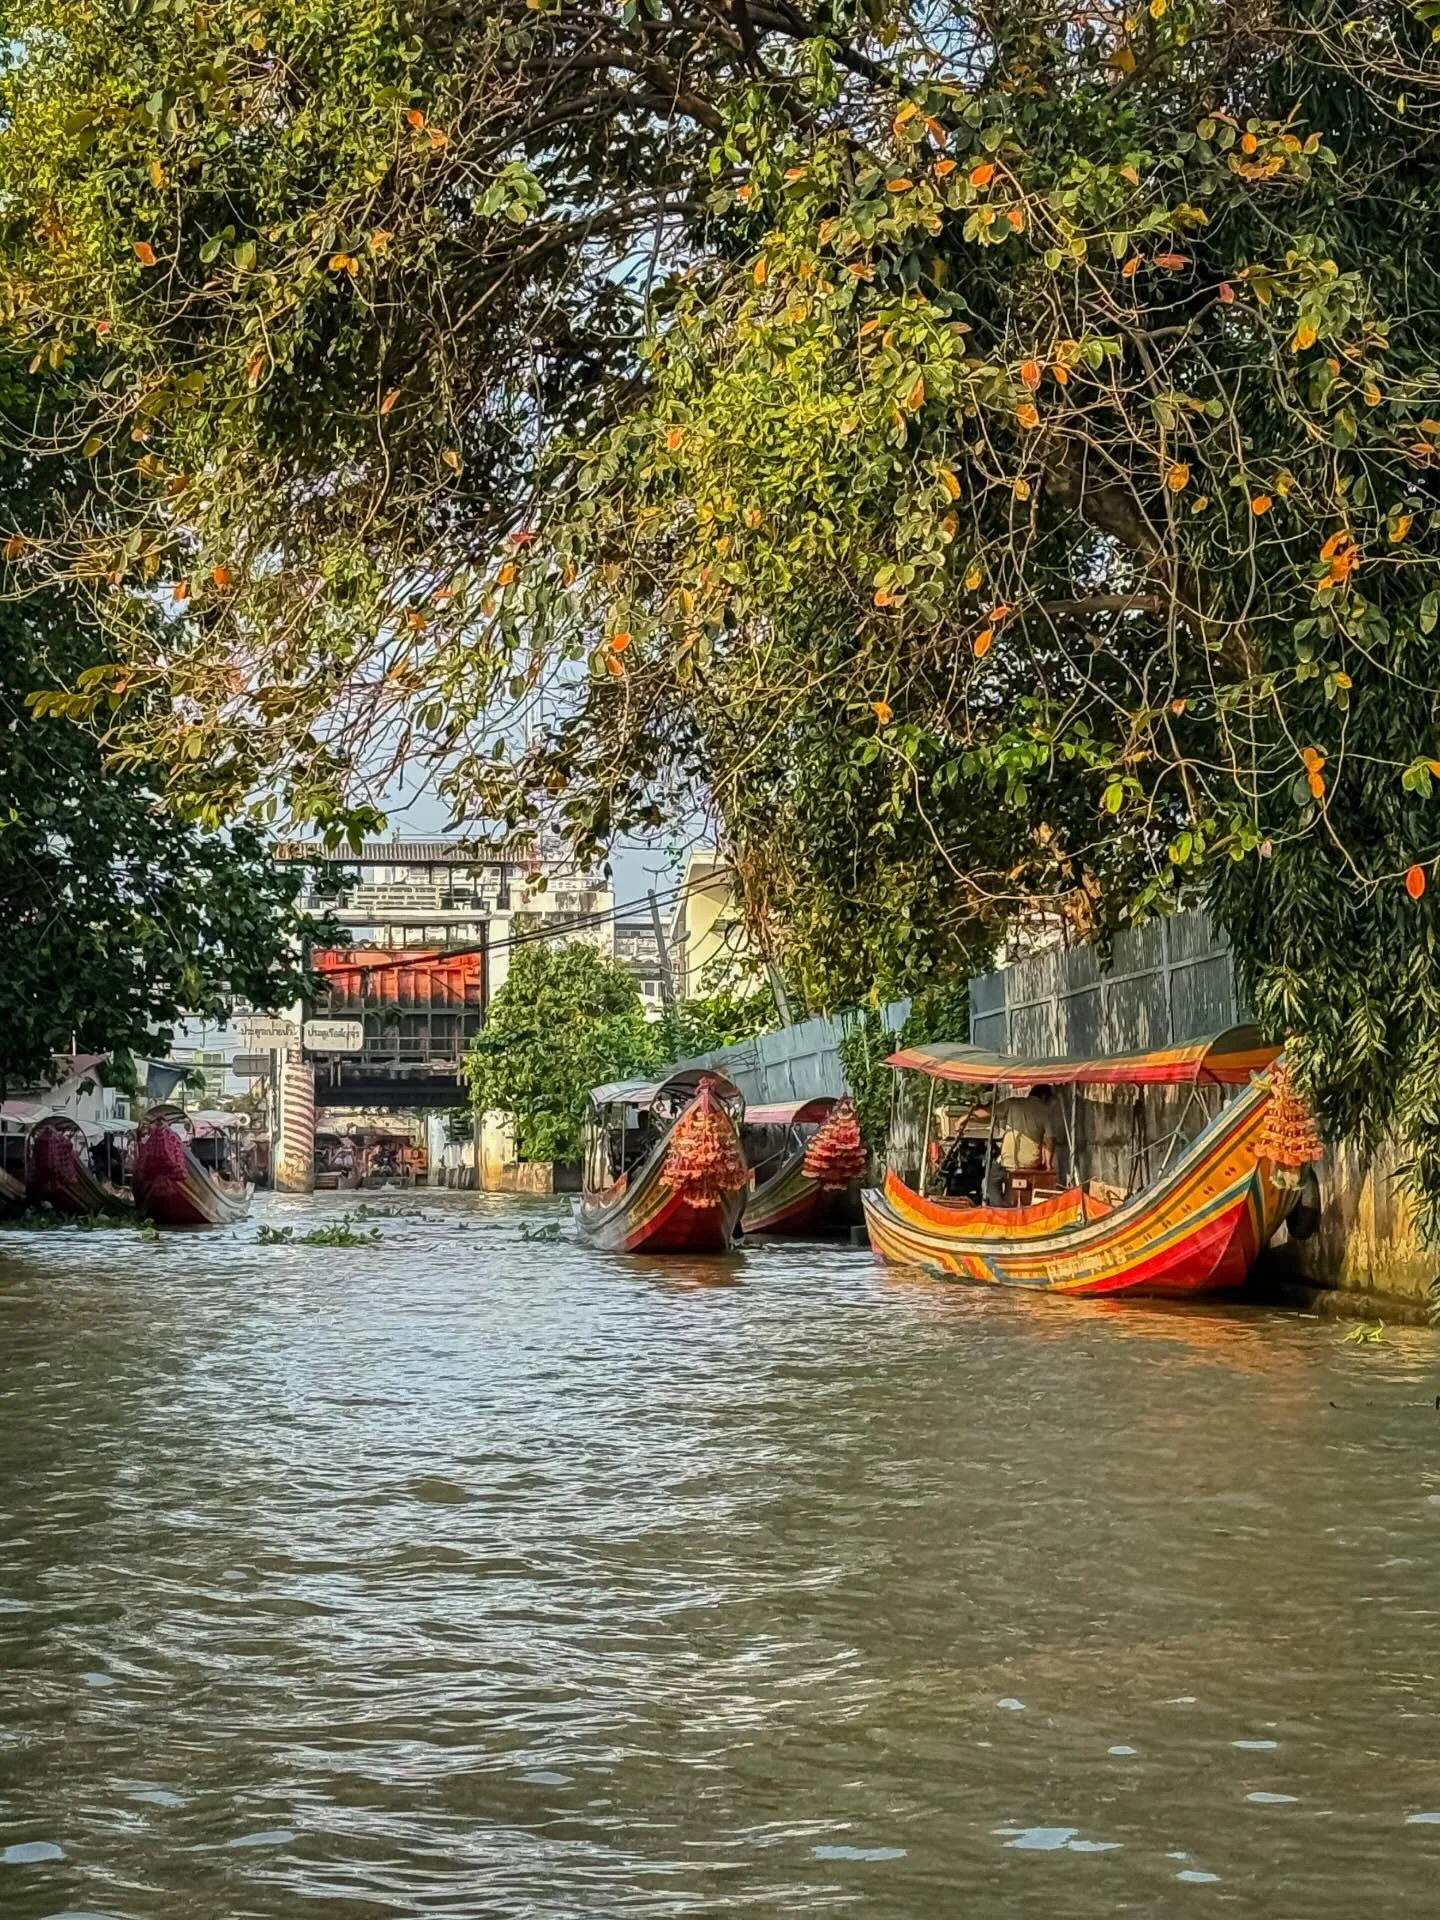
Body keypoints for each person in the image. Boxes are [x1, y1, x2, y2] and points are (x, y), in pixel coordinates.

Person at [996, 1083, 1059, 1200]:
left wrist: (967, 1116)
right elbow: (1049, 1141)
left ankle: (997, 1205)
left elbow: (990, 1113)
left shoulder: (1012, 1103)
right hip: (1031, 1163)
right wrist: (1049, 1166)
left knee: (991, 1183)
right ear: (1045, 1097)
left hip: (1008, 1161)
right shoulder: (1045, 1111)